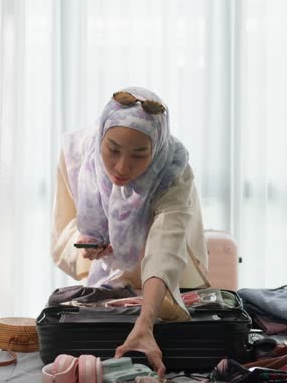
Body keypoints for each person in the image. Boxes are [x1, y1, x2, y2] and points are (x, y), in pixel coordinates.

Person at [50, 87, 210, 378]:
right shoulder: (76, 155)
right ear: (100, 136)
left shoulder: (172, 170)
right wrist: (85, 242)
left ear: (157, 147)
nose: (122, 167)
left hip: (162, 281)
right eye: (112, 150)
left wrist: (146, 321)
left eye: (139, 154)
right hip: (106, 281)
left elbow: (166, 246)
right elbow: (65, 224)